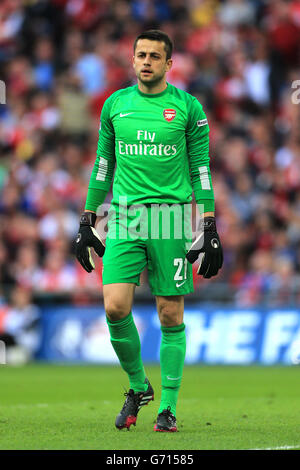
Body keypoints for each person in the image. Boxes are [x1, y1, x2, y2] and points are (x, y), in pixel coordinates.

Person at [75, 30, 223, 432]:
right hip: (123, 217)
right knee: (114, 307)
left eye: (154, 56)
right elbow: (103, 166)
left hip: (169, 218)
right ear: (133, 58)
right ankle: (139, 386)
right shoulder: (115, 105)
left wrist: (208, 222)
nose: (145, 61)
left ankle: (168, 408)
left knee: (169, 313)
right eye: (140, 54)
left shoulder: (188, 108)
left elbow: (201, 170)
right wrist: (88, 217)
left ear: (168, 64)